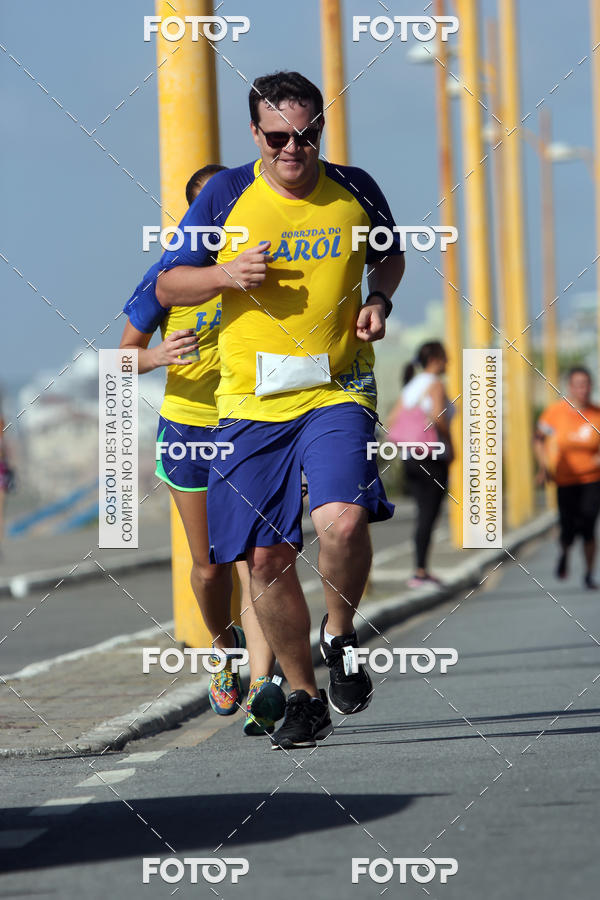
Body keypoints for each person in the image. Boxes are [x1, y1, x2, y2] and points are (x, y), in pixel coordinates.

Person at [151, 71, 405, 749]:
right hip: (248, 404)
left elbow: (389, 258)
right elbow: (168, 283)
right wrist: (225, 275)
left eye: (307, 134)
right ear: (255, 135)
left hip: (336, 387)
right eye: (278, 137)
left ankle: (340, 634)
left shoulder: (356, 188)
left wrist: (378, 301)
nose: (294, 148)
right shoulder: (225, 196)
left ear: (321, 127)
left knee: (341, 521)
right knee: (264, 560)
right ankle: (303, 695)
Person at [121, 165, 286, 736]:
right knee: (211, 568)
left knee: (255, 559)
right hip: (188, 428)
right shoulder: (167, 278)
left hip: (253, 424)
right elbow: (119, 358)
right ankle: (223, 646)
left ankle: (264, 684)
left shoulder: (263, 262)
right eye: (207, 211)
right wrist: (157, 356)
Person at [387, 341, 453, 588]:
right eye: (445, 357)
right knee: (429, 513)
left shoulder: (411, 386)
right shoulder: (435, 384)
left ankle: (420, 569)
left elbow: (393, 419)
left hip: (410, 458)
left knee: (422, 512)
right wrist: (451, 443)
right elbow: (438, 416)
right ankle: (420, 571)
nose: (448, 362)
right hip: (432, 457)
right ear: (435, 359)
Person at [535, 366, 600, 589]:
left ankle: (589, 574)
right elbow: (538, 439)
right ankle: (565, 552)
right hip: (565, 480)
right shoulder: (556, 412)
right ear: (570, 387)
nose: (583, 389)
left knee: (588, 524)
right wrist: (543, 466)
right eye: (578, 385)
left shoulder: (597, 414)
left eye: (586, 384)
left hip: (592, 479)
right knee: (568, 527)